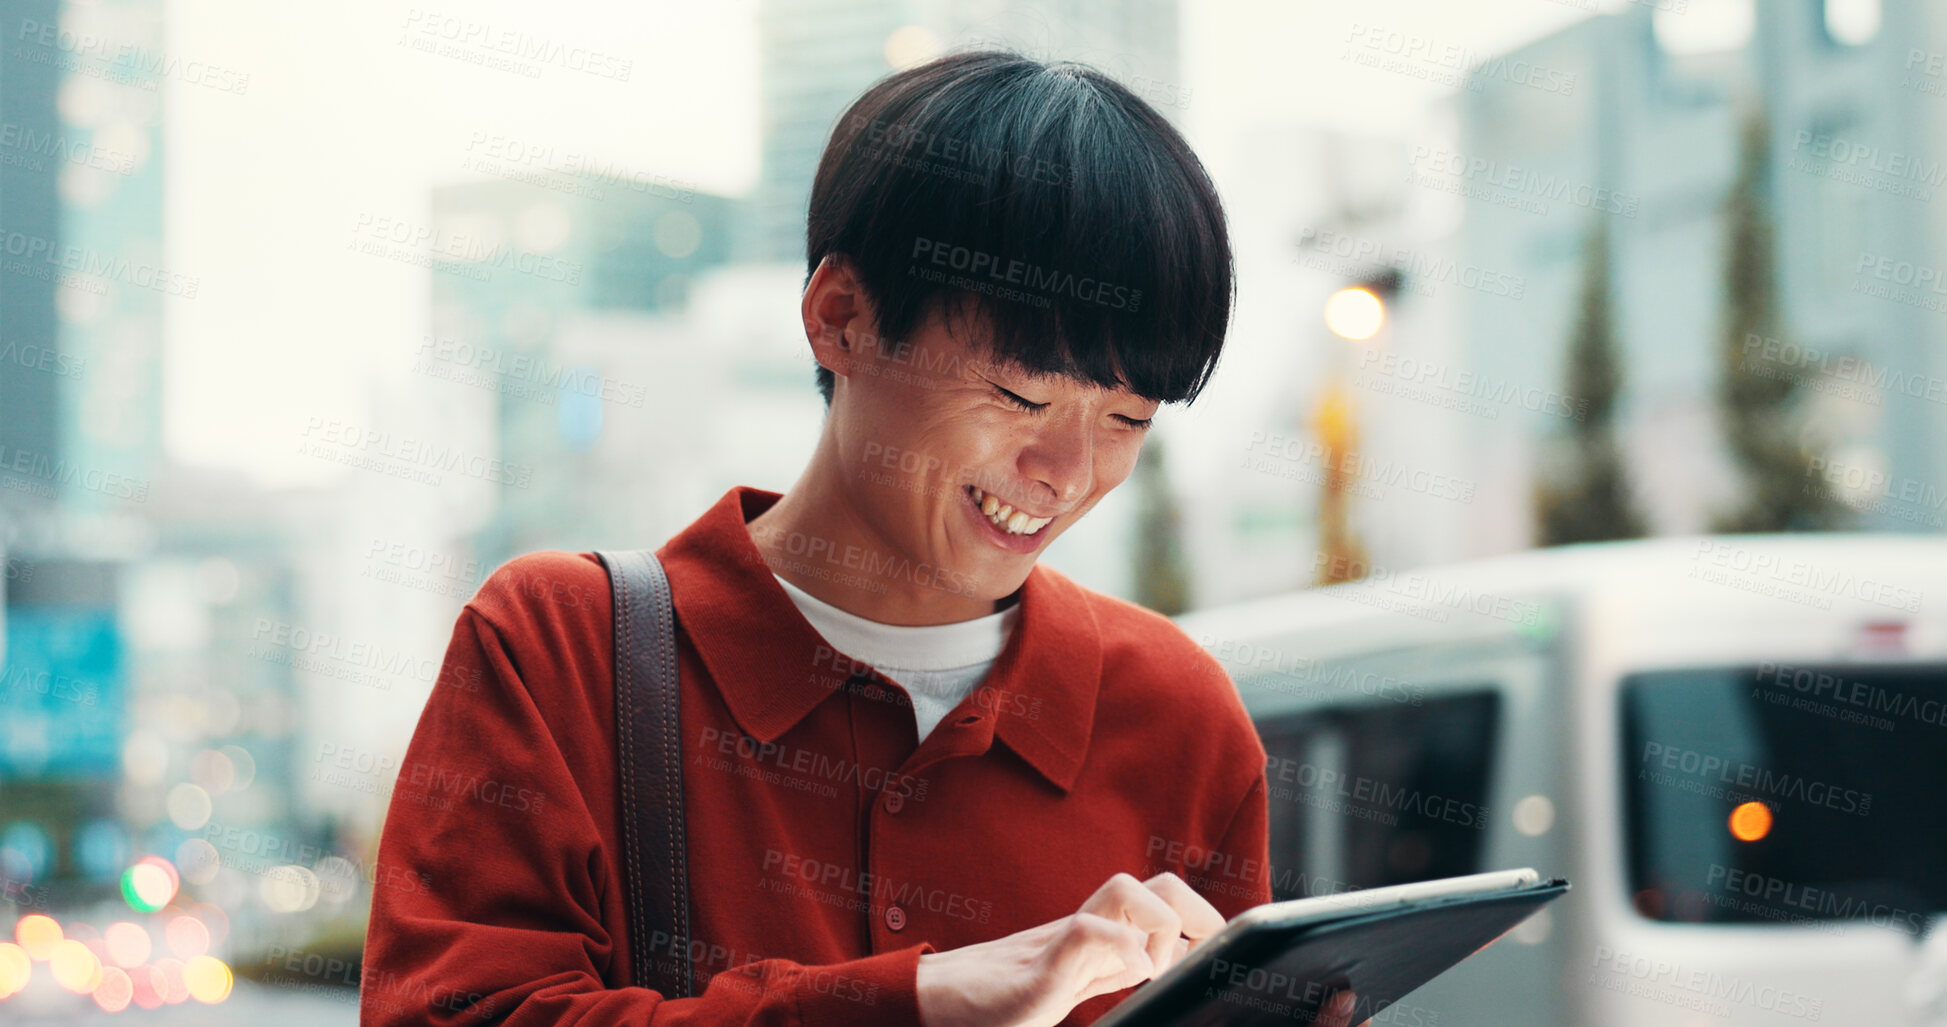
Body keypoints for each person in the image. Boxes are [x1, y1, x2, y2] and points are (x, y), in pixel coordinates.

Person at [360, 49, 1364, 1027]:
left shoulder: (1179, 715)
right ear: (839, 317)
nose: (1065, 471)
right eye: (1022, 395)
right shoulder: (561, 650)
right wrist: (920, 1001)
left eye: (1127, 420)